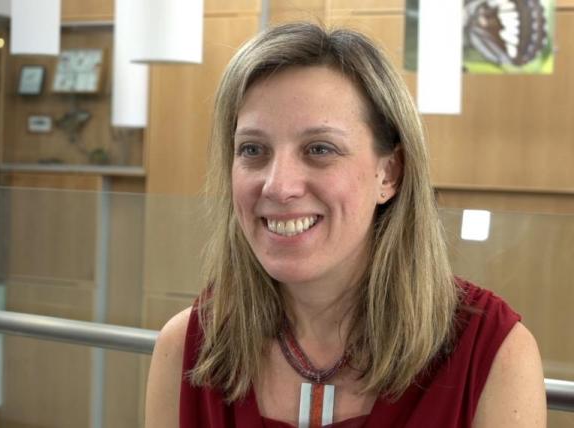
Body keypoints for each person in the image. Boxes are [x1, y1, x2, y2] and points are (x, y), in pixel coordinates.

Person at [145, 22, 546, 427]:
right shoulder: (186, 348)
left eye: (320, 149)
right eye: (253, 149)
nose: (278, 185)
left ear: (389, 174)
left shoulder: (491, 353)